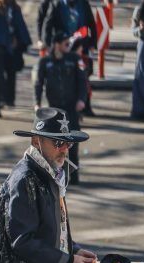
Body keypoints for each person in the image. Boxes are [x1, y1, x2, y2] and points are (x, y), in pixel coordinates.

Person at [0, 108, 97, 263]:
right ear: (36, 141)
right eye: (58, 143)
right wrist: (67, 262)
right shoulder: (24, 179)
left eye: (68, 143)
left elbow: (52, 229)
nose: (65, 149)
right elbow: (22, 240)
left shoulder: (52, 173)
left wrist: (73, 250)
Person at [34, 31, 87, 182]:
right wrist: (37, 102)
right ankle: (57, 175)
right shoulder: (45, 62)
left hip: (71, 108)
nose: (68, 46)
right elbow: (38, 83)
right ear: (56, 44)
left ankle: (74, 175)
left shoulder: (75, 59)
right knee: (55, 144)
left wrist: (82, 100)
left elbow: (82, 81)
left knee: (73, 142)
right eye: (65, 43)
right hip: (54, 110)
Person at [1, 0, 31, 107]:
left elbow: (20, 25)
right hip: (1, 45)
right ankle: (1, 98)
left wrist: (19, 41)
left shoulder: (15, 8)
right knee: (0, 73)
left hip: (13, 46)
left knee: (11, 73)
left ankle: (10, 99)